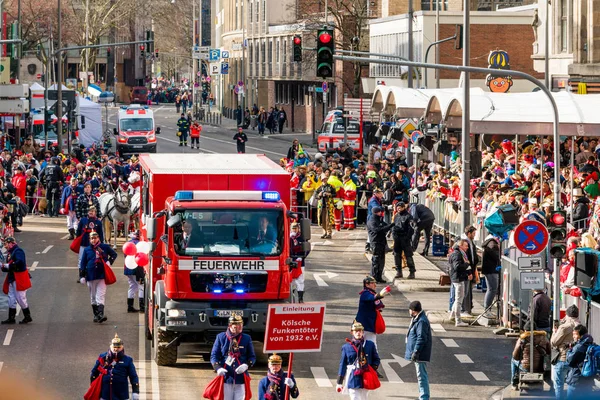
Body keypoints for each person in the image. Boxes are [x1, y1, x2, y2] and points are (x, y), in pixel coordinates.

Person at [210, 314, 256, 400]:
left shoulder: (246, 338)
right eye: (237, 325)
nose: (239, 327)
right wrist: (218, 368)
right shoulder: (221, 337)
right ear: (230, 326)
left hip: (240, 378)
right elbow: (214, 356)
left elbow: (252, 357)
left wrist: (246, 365)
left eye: (241, 324)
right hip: (226, 377)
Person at [79, 231, 117, 323]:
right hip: (91, 275)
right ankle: (96, 315)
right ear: (89, 239)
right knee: (93, 296)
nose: (93, 240)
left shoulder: (104, 247)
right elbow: (83, 263)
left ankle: (100, 314)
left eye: (95, 238)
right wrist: (82, 275)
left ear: (98, 238)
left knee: (101, 294)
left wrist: (109, 262)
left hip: (101, 275)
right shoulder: (87, 250)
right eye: (92, 238)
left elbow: (114, 254)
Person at [336, 321, 381, 400]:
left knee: (364, 398)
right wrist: (339, 382)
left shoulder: (370, 344)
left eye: (360, 331)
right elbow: (342, 364)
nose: (358, 333)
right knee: (354, 397)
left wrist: (372, 369)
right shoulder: (346, 347)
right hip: (353, 376)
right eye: (356, 331)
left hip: (366, 377)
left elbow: (376, 359)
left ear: (363, 332)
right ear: (352, 332)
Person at [90, 333, 140, 400]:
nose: (116, 349)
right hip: (105, 394)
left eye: (118, 347)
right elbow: (94, 373)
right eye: (114, 347)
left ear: (122, 348)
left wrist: (135, 391)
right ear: (111, 347)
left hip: (121, 394)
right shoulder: (103, 357)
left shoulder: (127, 360)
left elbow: (133, 376)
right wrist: (93, 387)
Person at [510, 320, 551, 390]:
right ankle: (549, 382)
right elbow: (549, 352)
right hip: (540, 367)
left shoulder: (522, 339)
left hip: (525, 368)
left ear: (525, 330)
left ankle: (514, 383)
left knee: (513, 360)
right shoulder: (544, 337)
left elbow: (515, 356)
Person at [0, 237, 32, 325]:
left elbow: (20, 262)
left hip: (19, 278)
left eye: (6, 244)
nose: (5, 246)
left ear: (11, 243)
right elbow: (9, 267)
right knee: (11, 298)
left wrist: (8, 266)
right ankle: (11, 318)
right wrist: (3, 267)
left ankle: (27, 316)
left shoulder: (18, 251)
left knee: (21, 298)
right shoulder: (11, 252)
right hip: (12, 278)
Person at [551, 305, 579, 399]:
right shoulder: (580, 325)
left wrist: (555, 332)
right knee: (572, 384)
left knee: (558, 385)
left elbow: (554, 342)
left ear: (567, 315)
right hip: (575, 359)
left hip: (563, 358)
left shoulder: (564, 327)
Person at [405, 301, 432, 400]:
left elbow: (421, 338)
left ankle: (424, 397)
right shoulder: (417, 319)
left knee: (421, 376)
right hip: (418, 353)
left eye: (410, 309)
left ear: (413, 310)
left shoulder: (421, 321)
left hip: (420, 354)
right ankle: (422, 395)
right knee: (420, 375)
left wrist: (416, 351)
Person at [355, 275, 391, 346]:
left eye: (375, 283)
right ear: (367, 284)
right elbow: (372, 298)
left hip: (370, 325)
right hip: (363, 326)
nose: (375, 285)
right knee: (361, 346)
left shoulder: (371, 293)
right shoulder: (365, 293)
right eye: (372, 283)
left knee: (370, 346)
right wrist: (380, 295)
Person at [565, 324, 595, 399]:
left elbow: (569, 361)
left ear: (580, 335)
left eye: (575, 334)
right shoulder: (591, 343)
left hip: (576, 380)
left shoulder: (579, 347)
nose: (573, 337)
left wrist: (569, 350)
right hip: (588, 379)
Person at [449, 239, 473, 327]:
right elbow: (457, 266)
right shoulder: (457, 254)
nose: (467, 247)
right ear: (461, 246)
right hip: (458, 279)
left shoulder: (460, 253)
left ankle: (452, 315)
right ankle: (458, 320)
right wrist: (467, 264)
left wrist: (468, 272)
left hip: (458, 277)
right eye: (466, 245)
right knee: (459, 300)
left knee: (458, 299)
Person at [368, 206, 393, 283]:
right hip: (376, 243)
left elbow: (385, 226)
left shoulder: (379, 220)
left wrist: (389, 226)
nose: (381, 213)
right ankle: (374, 277)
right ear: (376, 212)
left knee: (381, 261)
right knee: (376, 261)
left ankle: (379, 277)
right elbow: (377, 230)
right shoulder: (372, 221)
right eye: (380, 212)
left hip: (381, 242)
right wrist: (389, 226)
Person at [392, 202, 416, 280]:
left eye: (400, 208)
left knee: (408, 255)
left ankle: (412, 272)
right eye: (397, 208)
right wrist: (394, 236)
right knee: (396, 255)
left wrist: (407, 237)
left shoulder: (408, 216)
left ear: (403, 208)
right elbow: (393, 226)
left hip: (405, 239)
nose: (398, 209)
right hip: (397, 239)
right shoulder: (396, 216)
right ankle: (399, 271)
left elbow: (411, 228)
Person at [124, 231, 145, 313]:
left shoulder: (128, 243)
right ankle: (142, 307)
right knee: (141, 287)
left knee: (132, 286)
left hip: (128, 268)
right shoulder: (140, 244)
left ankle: (130, 306)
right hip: (137, 269)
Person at [481, 235, 501, 317]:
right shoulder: (493, 244)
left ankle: (487, 308)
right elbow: (496, 256)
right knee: (492, 289)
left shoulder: (489, 243)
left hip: (489, 269)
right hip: (491, 270)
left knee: (491, 289)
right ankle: (487, 309)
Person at [289, 222, 306, 303]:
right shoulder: (288, 238)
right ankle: (290, 297)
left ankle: (300, 298)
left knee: (300, 280)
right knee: (290, 280)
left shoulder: (301, 238)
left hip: (300, 262)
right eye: (293, 228)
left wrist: (302, 256)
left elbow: (306, 249)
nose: (294, 230)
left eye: (296, 228)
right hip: (290, 262)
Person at [365, 188, 384, 253]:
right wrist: (384, 208)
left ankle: (368, 246)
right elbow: (376, 208)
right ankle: (368, 247)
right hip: (372, 218)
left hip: (374, 218)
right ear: (376, 194)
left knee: (372, 233)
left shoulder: (377, 199)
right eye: (380, 193)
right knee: (373, 232)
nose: (382, 194)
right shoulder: (373, 200)